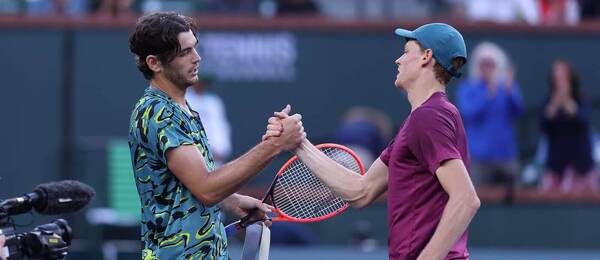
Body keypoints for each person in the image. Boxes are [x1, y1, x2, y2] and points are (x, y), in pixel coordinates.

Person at [266, 23, 480, 259]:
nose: (398, 60)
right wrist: (299, 143)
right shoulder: (425, 118)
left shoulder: (428, 116)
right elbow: (361, 190)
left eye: (407, 51)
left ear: (426, 57)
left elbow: (466, 199)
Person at [127, 12, 305, 259]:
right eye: (184, 52)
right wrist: (275, 145)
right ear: (154, 63)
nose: (197, 58)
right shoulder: (157, 112)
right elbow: (207, 188)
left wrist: (230, 200)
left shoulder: (183, 110)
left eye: (195, 49)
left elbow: (186, 187)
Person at [455, 42, 523, 198]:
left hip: (506, 155)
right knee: (474, 198)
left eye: (491, 64)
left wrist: (510, 91)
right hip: (480, 157)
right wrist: (488, 96)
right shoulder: (468, 88)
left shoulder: (507, 88)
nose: (487, 68)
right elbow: (468, 113)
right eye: (484, 64)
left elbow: (519, 111)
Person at [540, 59, 597, 192]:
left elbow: (584, 123)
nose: (560, 82)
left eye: (563, 78)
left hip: (581, 165)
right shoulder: (547, 101)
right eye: (557, 78)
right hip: (557, 165)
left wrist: (570, 106)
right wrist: (553, 108)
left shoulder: (581, 99)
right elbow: (543, 126)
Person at [185, 75, 232, 167]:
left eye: (203, 82)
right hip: (190, 153)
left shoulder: (213, 102)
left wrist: (221, 148)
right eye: (197, 81)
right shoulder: (183, 99)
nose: (200, 84)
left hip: (214, 154)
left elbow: (220, 126)